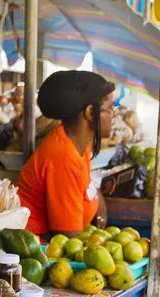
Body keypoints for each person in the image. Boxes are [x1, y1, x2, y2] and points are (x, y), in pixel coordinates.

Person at [17, 70, 115, 238]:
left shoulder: (78, 143)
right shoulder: (62, 157)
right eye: (110, 108)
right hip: (41, 251)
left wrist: (99, 213)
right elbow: (69, 238)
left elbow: (89, 188)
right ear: (90, 112)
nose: (114, 114)